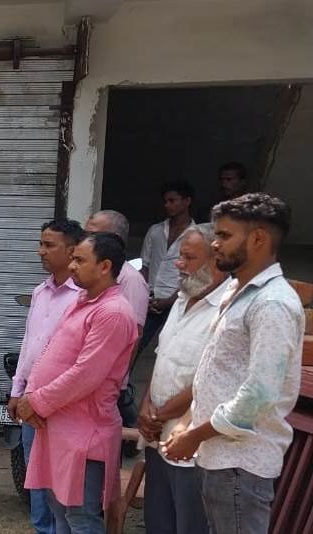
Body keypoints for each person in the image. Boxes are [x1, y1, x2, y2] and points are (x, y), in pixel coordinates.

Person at [162, 193, 304, 534]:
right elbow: (216, 372)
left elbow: (259, 394)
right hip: (219, 457)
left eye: (225, 235)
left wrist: (193, 435)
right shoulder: (238, 292)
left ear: (258, 239)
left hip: (241, 464)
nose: (215, 244)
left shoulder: (272, 303)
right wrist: (188, 423)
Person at [18, 232, 138, 534]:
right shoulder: (83, 302)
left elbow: (86, 374)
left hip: (85, 432)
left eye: (80, 260)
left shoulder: (113, 312)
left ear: (104, 266)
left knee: (80, 517)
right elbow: (49, 351)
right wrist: (29, 393)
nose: (71, 266)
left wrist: (36, 401)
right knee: (60, 511)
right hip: (58, 425)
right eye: (72, 258)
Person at [135, 226, 224, 534]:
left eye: (188, 257)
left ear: (217, 261)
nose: (178, 263)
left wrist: (159, 414)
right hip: (157, 436)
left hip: (193, 445)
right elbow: (162, 361)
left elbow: (209, 380)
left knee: (190, 525)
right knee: (158, 523)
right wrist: (145, 406)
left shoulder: (227, 310)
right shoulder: (182, 300)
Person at [8, 218, 86, 534]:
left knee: (61, 481)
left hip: (62, 403)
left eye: (49, 245)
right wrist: (17, 390)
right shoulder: (40, 292)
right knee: (36, 475)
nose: (41, 251)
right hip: (30, 400)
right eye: (40, 244)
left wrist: (47, 398)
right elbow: (28, 344)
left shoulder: (83, 297)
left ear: (71, 250)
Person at [84, 209, 149, 454]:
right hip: (85, 383)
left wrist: (118, 383)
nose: (84, 239)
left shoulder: (130, 280)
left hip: (107, 386)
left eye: (91, 234)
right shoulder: (86, 275)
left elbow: (134, 336)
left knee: (102, 451)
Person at [138, 180, 197, 355]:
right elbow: (144, 265)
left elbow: (195, 274)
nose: (167, 205)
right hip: (151, 300)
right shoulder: (155, 231)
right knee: (136, 343)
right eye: (165, 201)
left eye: (172, 201)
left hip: (179, 301)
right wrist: (145, 294)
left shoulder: (197, 236)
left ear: (187, 201)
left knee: (172, 349)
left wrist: (171, 300)